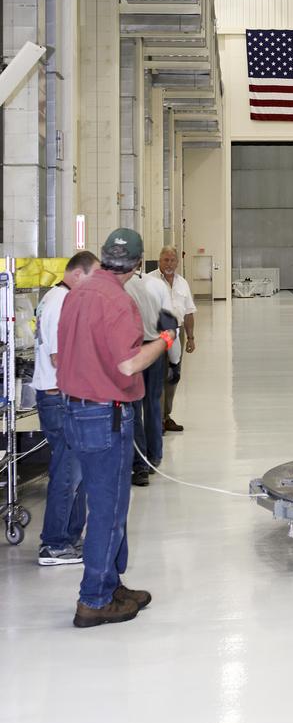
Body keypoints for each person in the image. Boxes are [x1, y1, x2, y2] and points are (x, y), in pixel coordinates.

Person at [57, 228, 177, 628]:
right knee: (109, 510)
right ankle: (93, 599)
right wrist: (164, 339)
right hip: (105, 415)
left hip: (73, 411)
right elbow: (128, 364)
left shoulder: (77, 293)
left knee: (100, 503)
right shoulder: (118, 301)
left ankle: (109, 583)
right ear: (138, 264)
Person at [32, 251, 100, 566]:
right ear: (77, 274)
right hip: (59, 399)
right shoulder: (61, 302)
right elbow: (60, 358)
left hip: (59, 396)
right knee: (68, 474)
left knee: (76, 472)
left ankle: (70, 538)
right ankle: (54, 544)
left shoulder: (55, 298)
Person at [125, 265, 175, 487]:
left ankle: (140, 464)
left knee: (134, 408)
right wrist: (173, 357)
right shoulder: (157, 285)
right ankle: (155, 456)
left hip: (133, 351)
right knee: (153, 404)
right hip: (156, 350)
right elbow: (171, 324)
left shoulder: (120, 286)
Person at [148, 246, 196, 433]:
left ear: (177, 262)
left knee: (173, 375)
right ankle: (157, 419)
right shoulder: (149, 280)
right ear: (159, 260)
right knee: (158, 375)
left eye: (172, 260)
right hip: (156, 333)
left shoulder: (182, 283)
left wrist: (191, 337)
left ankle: (166, 416)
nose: (168, 264)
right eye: (165, 260)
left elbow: (189, 312)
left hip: (178, 331)